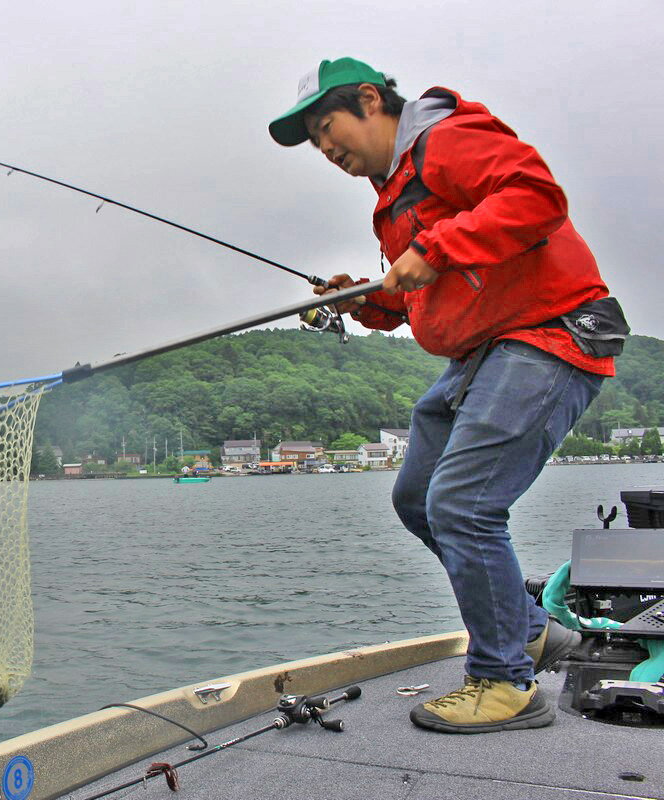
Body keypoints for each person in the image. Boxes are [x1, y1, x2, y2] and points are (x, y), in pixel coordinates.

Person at [268, 58, 627, 733]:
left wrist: (437, 246)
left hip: (546, 336)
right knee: (417, 498)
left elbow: (537, 197)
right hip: (482, 351)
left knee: (463, 503)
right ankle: (529, 630)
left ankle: (505, 681)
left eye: (326, 126)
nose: (325, 147)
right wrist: (367, 298)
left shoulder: (444, 137)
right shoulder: (394, 196)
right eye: (315, 142)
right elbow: (429, 297)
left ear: (370, 100)